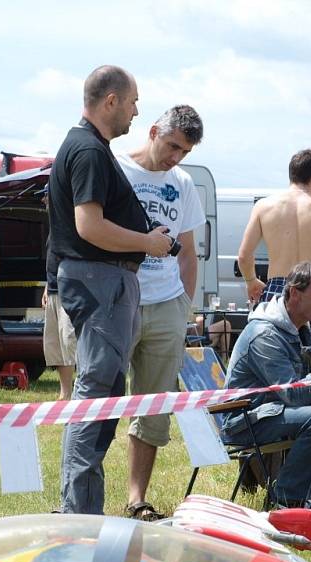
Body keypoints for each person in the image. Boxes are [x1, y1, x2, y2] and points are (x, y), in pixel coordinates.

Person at [48, 65, 172, 515]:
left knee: (100, 392)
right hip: (100, 281)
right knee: (95, 394)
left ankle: (79, 508)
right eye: (134, 101)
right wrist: (147, 242)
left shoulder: (87, 148)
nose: (137, 111)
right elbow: (88, 225)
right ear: (112, 101)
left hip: (101, 281)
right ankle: (79, 514)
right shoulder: (88, 151)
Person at [116, 105, 205, 521]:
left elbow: (188, 253)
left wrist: (185, 306)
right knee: (97, 400)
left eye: (183, 151)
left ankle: (137, 499)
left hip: (167, 304)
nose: (175, 157)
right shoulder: (115, 167)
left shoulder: (183, 183)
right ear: (152, 131)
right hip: (119, 299)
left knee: (153, 409)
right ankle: (80, 494)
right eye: (171, 146)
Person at [223, 262, 311, 507]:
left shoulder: (299, 329)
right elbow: (292, 395)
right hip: (244, 421)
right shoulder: (264, 335)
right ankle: (284, 500)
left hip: (272, 412)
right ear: (294, 293)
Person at [237, 149, 311, 344]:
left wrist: (251, 281)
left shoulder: (264, 206)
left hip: (277, 288)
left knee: (271, 347)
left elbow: (244, 256)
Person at [40, 187, 77, 402]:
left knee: (70, 341)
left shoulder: (72, 220)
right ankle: (65, 393)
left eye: (47, 195)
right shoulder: (55, 223)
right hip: (54, 289)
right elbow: (54, 259)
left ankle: (80, 392)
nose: (44, 199)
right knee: (57, 345)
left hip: (70, 290)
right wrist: (47, 285)